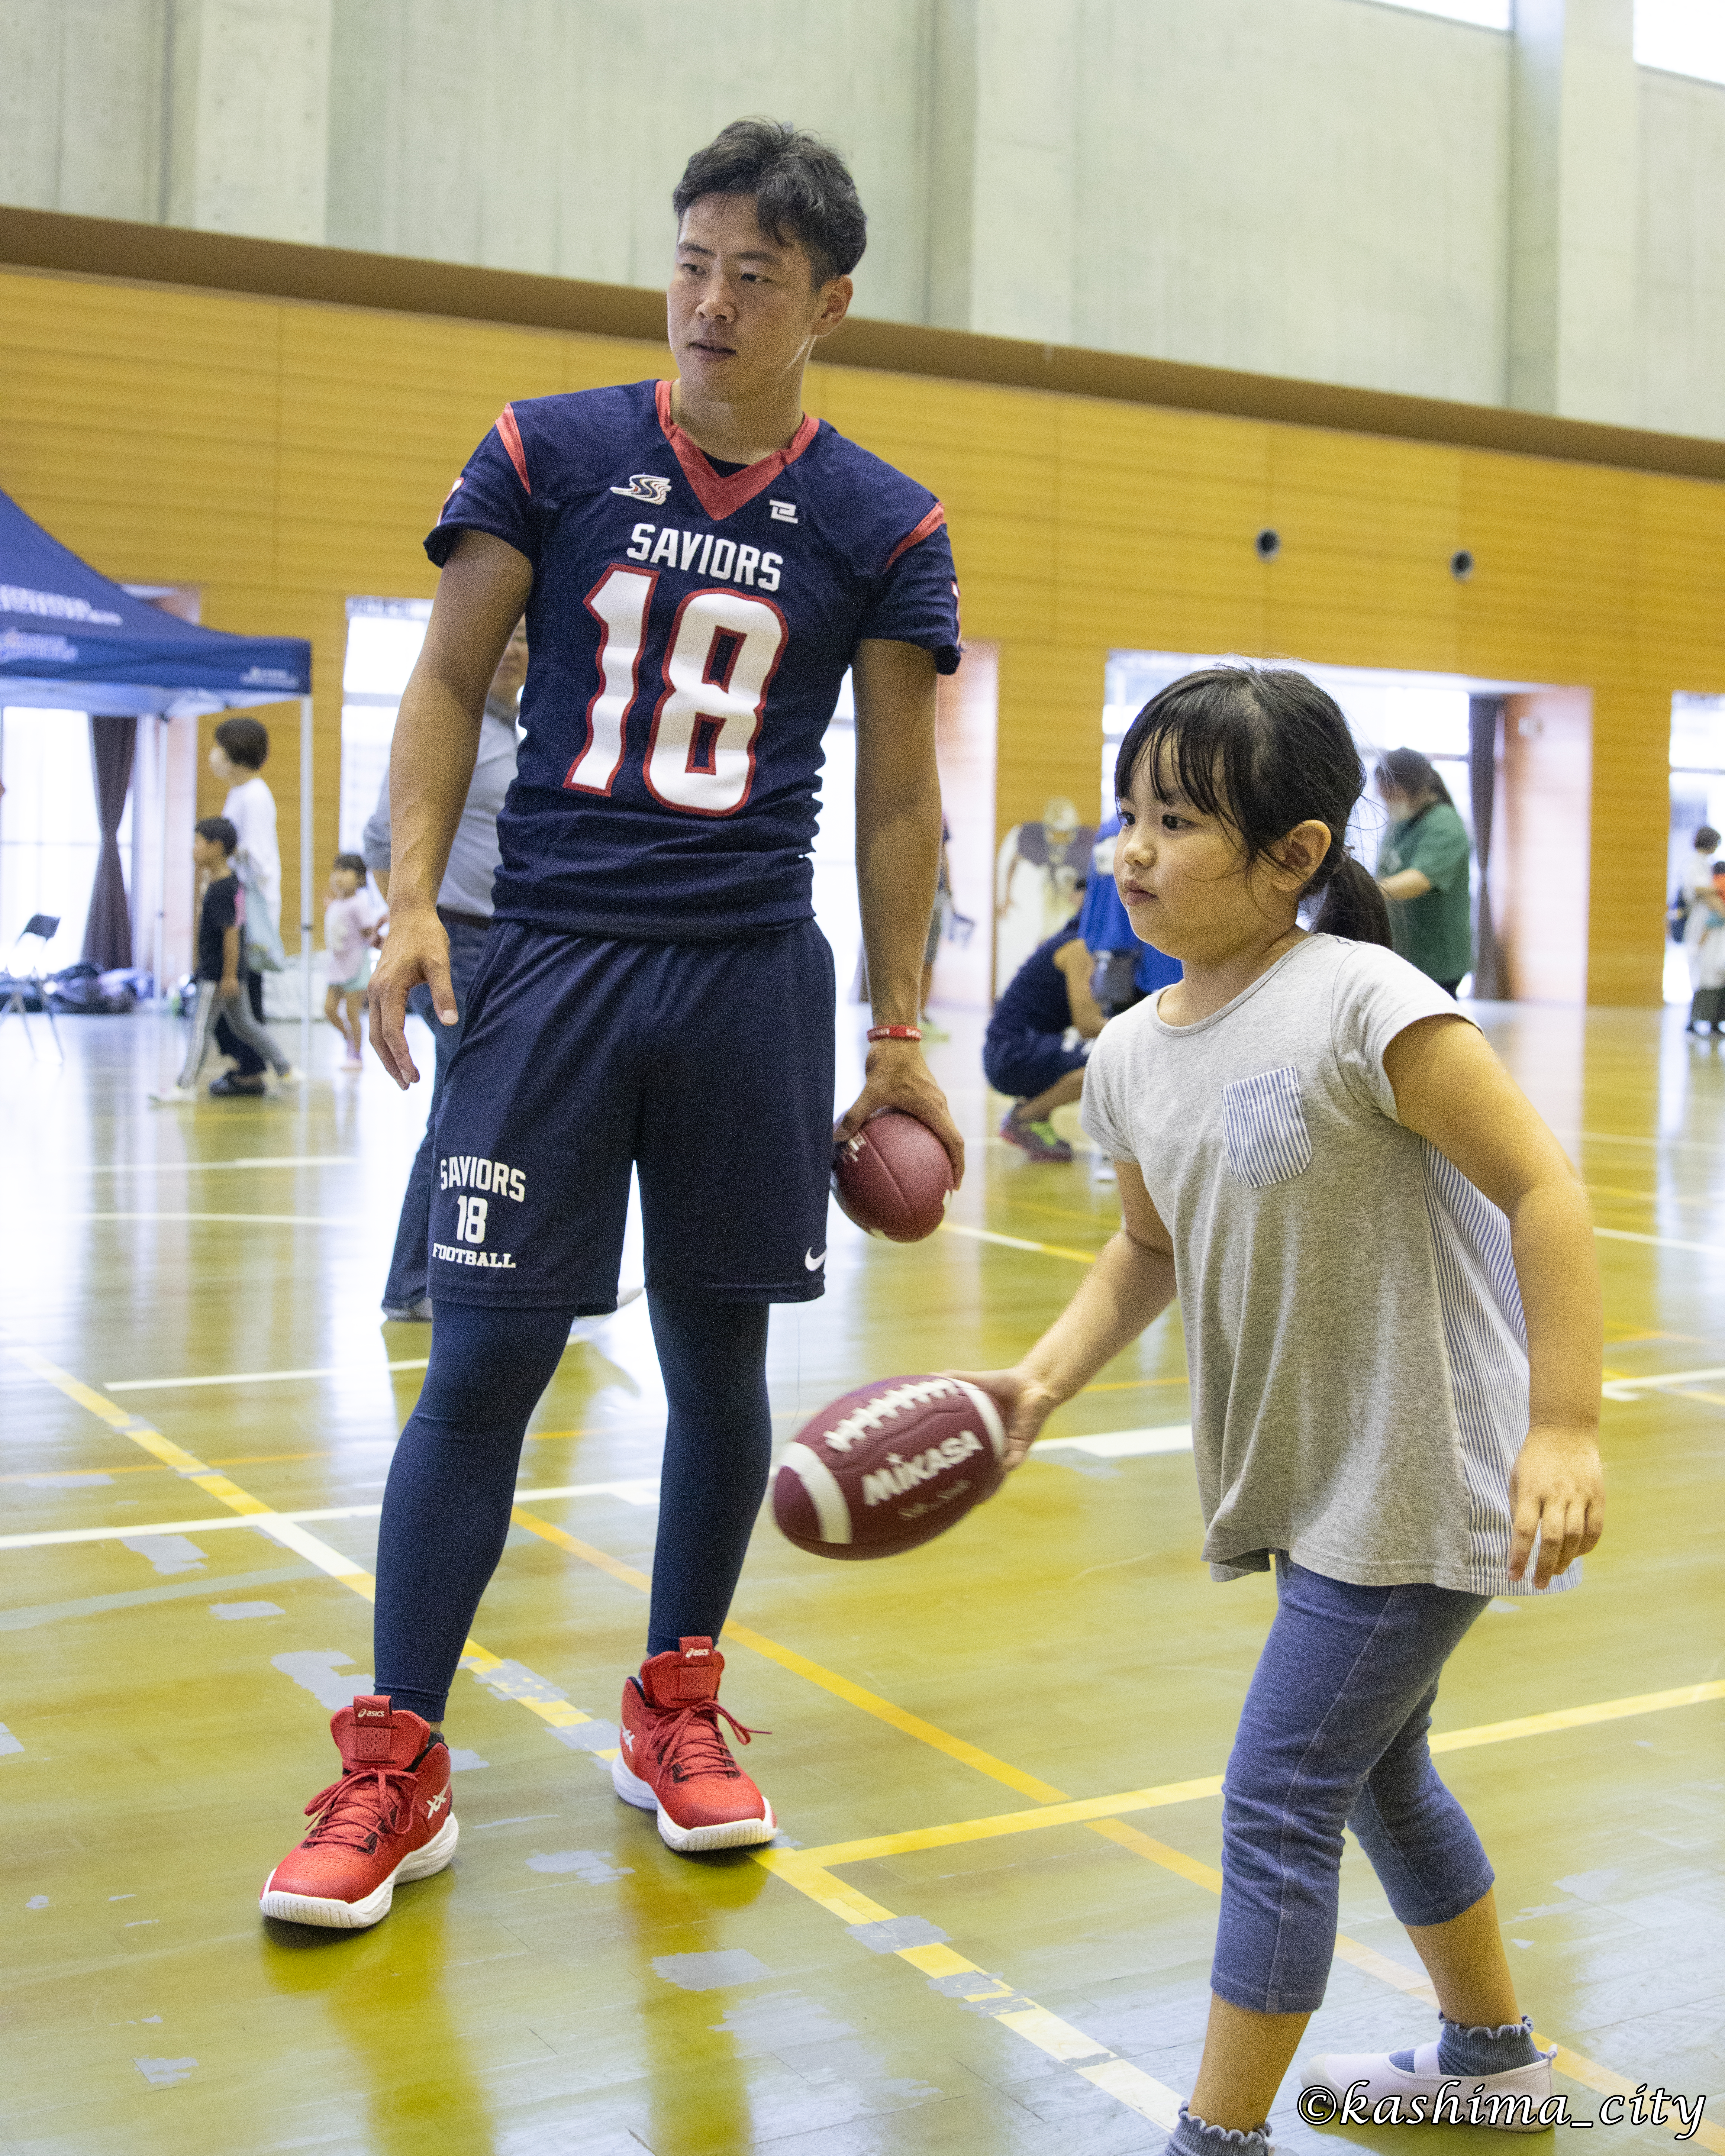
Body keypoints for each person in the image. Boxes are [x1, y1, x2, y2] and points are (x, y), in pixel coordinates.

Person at [258, 119, 964, 1931]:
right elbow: (434, 680)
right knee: (482, 1359)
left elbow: (898, 800)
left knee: (718, 1362)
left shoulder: (886, 519)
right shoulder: (546, 451)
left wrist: (898, 1027)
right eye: (692, 263)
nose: (712, 303)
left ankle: (678, 1696)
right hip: (551, 969)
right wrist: (411, 901)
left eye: (755, 276)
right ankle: (396, 1756)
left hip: (744, 983)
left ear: (831, 303)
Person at [960, 667, 1603, 2156]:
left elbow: (1540, 1187)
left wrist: (1561, 1423)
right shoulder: (1124, 1052)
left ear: (1294, 855)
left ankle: (1216, 2137)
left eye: (1174, 821)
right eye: (1126, 813)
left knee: (1278, 1790)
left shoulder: (1362, 1001)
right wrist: (1036, 1380)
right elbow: (1145, 1246)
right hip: (1311, 1474)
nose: (1126, 848)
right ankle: (1489, 2060)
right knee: (1374, 1771)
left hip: (1416, 1468)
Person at [363, 622, 525, 1319]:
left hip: (515, 947)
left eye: (525, 637)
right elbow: (379, 842)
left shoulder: (530, 737)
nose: (514, 646)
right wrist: (410, 920)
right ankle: (413, 1284)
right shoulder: (450, 735)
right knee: (467, 1110)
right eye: (506, 633)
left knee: (493, 1111)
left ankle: (514, 1277)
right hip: (454, 944)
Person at [151, 818, 296, 1103]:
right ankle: (285, 1069)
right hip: (228, 971)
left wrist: (228, 975)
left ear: (216, 848)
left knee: (199, 1029)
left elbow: (232, 934)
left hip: (217, 974)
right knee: (245, 1026)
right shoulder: (231, 884)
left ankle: (185, 1086)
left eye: (198, 843)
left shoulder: (222, 889)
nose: (193, 849)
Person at [985, 916, 1106, 1161]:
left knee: (1107, 1055)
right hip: (1013, 1054)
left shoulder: (1068, 940)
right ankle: (1026, 1118)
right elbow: (1088, 1025)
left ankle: (1031, 1116)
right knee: (1109, 1062)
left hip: (1013, 1049)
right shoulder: (1078, 947)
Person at [207, 716, 283, 1096]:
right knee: (231, 987)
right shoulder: (239, 793)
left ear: (234, 752)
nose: (213, 755)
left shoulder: (254, 794)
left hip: (249, 905)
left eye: (219, 747)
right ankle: (242, 1063)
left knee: (244, 990)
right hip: (237, 899)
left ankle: (251, 1069)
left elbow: (256, 856)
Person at [1374, 748, 1473, 995]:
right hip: (1404, 953)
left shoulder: (1443, 823)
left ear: (1414, 788)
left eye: (1393, 795)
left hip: (1436, 959)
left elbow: (1419, 880)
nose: (1388, 802)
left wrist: (1364, 891)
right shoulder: (1400, 821)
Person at [323, 853, 386, 1071]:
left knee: (352, 1013)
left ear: (360, 878)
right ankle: (349, 1041)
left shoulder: (359, 904)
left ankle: (356, 1055)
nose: (339, 876)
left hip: (355, 965)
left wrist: (379, 937)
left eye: (346, 871)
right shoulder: (336, 903)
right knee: (329, 1010)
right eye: (337, 870)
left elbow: (369, 933)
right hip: (336, 966)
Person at [1673, 822, 1721, 995]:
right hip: (1697, 917)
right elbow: (1696, 888)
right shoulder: (1693, 863)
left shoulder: (1706, 864)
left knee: (1708, 964)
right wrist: (1719, 888)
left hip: (1706, 917)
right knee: (1697, 961)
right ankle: (1696, 1013)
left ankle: (1710, 1015)